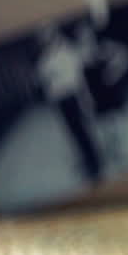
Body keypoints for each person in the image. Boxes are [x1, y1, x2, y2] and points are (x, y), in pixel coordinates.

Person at [36, 24, 103, 183]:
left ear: (54, 35)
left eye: (46, 35)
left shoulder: (68, 52)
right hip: (60, 101)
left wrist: (85, 97)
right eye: (42, 37)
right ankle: (87, 160)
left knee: (84, 131)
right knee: (73, 133)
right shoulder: (44, 59)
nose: (43, 39)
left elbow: (78, 78)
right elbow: (44, 81)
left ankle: (95, 166)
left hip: (73, 96)